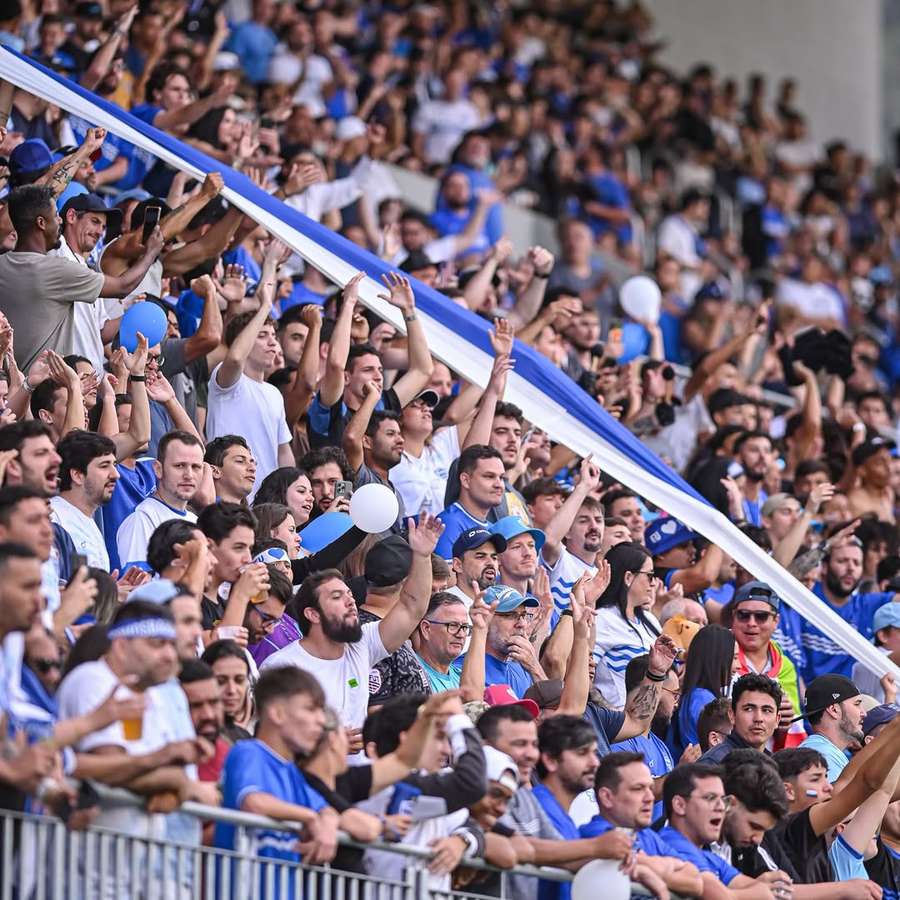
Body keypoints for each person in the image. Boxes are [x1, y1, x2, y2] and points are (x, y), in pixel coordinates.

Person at [261, 513, 443, 744]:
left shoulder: (361, 645)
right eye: (337, 597)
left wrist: (422, 556)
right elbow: (271, 736)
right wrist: (326, 743)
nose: (350, 601)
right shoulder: (282, 666)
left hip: (362, 767)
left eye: (349, 594)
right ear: (312, 614)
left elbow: (412, 608)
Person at [1, 184, 164, 370]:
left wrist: (131, 312)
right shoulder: (58, 266)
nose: (59, 221)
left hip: (19, 380)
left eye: (103, 226)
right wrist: (151, 253)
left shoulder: (3, 264)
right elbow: (122, 286)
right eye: (56, 215)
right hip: (49, 382)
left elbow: (101, 331)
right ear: (41, 223)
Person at [214, 666, 347, 888]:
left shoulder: (292, 772)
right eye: (310, 709)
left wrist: (327, 822)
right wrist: (310, 817)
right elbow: (253, 802)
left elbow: (326, 809)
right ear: (277, 714)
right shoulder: (248, 752)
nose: (321, 721)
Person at [205, 243, 293, 496]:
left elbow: (283, 452)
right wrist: (264, 307)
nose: (273, 342)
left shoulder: (274, 393)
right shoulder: (227, 381)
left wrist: (290, 490)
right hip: (227, 498)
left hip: (266, 503)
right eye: (262, 335)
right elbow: (234, 358)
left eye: (273, 336)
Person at [578, 751, 704, 896]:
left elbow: (696, 882)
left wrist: (652, 866)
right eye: (638, 789)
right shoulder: (596, 834)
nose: (650, 797)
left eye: (650, 788)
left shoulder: (647, 835)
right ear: (607, 797)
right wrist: (668, 865)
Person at [660, 763, 792, 894]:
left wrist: (764, 889)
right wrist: (760, 891)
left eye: (722, 799)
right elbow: (721, 896)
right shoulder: (671, 845)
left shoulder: (710, 858)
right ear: (679, 805)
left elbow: (766, 890)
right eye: (710, 798)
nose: (721, 807)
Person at [727, 581, 804, 750]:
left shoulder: (786, 667)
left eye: (761, 616)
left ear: (776, 621)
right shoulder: (719, 655)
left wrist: (784, 725)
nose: (751, 623)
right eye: (743, 615)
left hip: (769, 758)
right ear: (733, 617)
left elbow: (794, 732)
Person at [116, 430, 205, 567]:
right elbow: (137, 579)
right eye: (179, 466)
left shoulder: (195, 521)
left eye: (196, 467)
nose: (189, 475)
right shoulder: (141, 519)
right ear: (158, 469)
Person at [593, 542, 662, 709]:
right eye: (650, 575)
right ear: (628, 578)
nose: (654, 583)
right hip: (617, 718)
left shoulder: (650, 620)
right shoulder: (602, 619)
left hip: (650, 718)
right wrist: (610, 713)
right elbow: (583, 675)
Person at [612, 654, 680, 822]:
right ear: (654, 688)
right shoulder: (618, 741)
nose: (677, 703)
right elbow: (632, 794)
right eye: (674, 694)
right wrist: (680, 774)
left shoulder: (659, 744)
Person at [455, 584, 544, 698]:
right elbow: (472, 702)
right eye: (510, 615)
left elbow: (553, 707)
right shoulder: (462, 670)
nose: (522, 624)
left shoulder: (523, 669)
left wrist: (535, 667)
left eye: (523, 615)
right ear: (485, 619)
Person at [50, 430, 119, 570]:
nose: (116, 474)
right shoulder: (53, 516)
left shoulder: (89, 522)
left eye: (114, 465)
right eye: (104, 466)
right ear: (77, 475)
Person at [670, 624, 735, 756]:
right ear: (717, 660)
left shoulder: (694, 695)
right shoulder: (702, 699)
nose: (738, 665)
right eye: (734, 658)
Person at [436, 445, 506, 559]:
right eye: (489, 476)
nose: (499, 485)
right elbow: (447, 571)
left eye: (502, 477)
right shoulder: (448, 524)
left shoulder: (492, 527)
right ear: (465, 480)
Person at [699, 673, 782, 763]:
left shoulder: (776, 765)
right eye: (748, 709)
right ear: (732, 715)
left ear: (777, 720)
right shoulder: (714, 763)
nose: (758, 718)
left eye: (767, 710)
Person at [798, 674, 866, 783]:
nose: (864, 713)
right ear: (834, 710)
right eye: (857, 704)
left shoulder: (821, 751)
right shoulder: (823, 756)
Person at [411, 592, 471, 693]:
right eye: (452, 625)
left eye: (464, 627)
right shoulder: (410, 675)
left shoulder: (462, 678)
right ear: (426, 629)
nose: (461, 634)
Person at [446, 526, 506, 610]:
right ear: (458, 565)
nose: (491, 563)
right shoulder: (444, 605)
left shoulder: (501, 604)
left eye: (494, 558)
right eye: (480, 557)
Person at [204, 435, 256, 505]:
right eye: (240, 461)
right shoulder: (202, 511)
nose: (252, 468)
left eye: (253, 462)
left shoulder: (256, 512)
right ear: (215, 471)